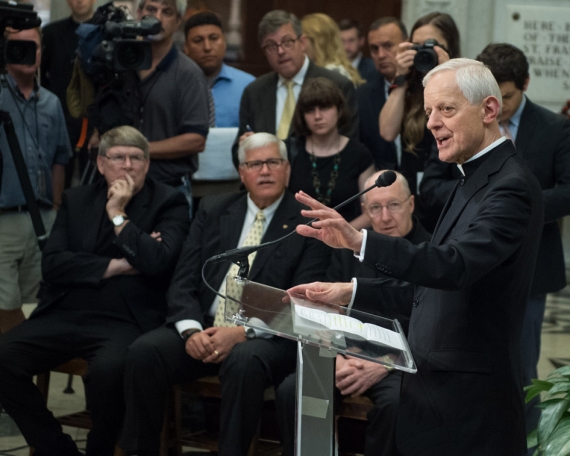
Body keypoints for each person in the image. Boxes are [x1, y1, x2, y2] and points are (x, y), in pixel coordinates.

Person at [289, 59, 544, 455]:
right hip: (434, 393)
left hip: (468, 404)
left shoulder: (510, 187)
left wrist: (360, 241)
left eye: (446, 109)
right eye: (428, 112)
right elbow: (428, 289)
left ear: (489, 110)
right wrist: (347, 292)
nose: (432, 123)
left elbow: (452, 266)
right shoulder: (468, 178)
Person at [120, 132, 331, 456]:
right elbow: (185, 279)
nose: (265, 171)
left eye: (273, 162)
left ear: (287, 169)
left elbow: (304, 302)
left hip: (269, 337)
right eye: (255, 164)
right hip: (204, 326)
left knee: (243, 360)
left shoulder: (307, 223)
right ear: (241, 171)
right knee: (144, 352)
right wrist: (190, 331)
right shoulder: (215, 209)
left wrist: (242, 332)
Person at [0, 125, 190, 456]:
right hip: (66, 311)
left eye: (136, 158)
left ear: (147, 164)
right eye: (118, 157)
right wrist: (117, 265)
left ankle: (99, 451)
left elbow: (158, 261)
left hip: (127, 318)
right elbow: (54, 264)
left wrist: (118, 215)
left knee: (108, 371)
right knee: (3, 357)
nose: (128, 165)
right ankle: (56, 448)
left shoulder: (169, 202)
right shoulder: (77, 199)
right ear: (102, 164)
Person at [421, 43, 570, 443]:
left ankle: (528, 439)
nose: (433, 123)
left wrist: (523, 209)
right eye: (429, 113)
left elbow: (566, 190)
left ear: (523, 86)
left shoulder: (551, 130)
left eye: (508, 97)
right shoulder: (463, 155)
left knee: (520, 369)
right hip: (470, 266)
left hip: (530, 261)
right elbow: (435, 185)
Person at [276, 170, 431, 456]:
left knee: (397, 406)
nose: (385, 217)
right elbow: (326, 312)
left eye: (393, 205)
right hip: (345, 354)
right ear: (365, 211)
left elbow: (434, 324)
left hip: (404, 362)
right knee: (292, 391)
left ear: (411, 204)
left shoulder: (430, 253)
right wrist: (335, 355)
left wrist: (387, 361)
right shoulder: (348, 249)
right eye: (375, 208)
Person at [90, 0, 210, 216]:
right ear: (138, 13)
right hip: (116, 186)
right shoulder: (120, 62)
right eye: (151, 10)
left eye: (167, 12)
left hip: (168, 187)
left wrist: (138, 151)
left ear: (178, 21)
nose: (158, 18)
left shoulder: (188, 73)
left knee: (164, 250)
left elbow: (196, 139)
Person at [0, 27, 72, 335]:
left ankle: (19, 374)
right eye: (20, 47)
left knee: (35, 300)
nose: (30, 53)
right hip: (4, 217)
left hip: (43, 218)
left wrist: (55, 207)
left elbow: (60, 157)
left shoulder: (52, 103)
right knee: (4, 303)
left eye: (35, 47)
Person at [233, 10, 359, 166]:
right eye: (271, 46)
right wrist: (245, 146)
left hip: (318, 181)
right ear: (264, 51)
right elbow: (236, 155)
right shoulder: (254, 91)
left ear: (303, 42)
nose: (280, 51)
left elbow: (350, 147)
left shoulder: (337, 84)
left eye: (287, 42)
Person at [379, 12, 460, 230]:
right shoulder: (411, 87)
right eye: (416, 46)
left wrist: (450, 73)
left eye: (431, 45)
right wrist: (400, 78)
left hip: (449, 197)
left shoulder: (464, 82)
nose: (423, 52)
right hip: (414, 200)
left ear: (449, 47)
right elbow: (387, 132)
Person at [286, 77, 374, 229]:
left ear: (339, 110)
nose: (318, 116)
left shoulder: (359, 154)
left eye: (325, 108)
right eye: (310, 110)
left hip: (345, 242)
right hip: (298, 239)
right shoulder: (290, 150)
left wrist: (341, 235)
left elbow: (369, 213)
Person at [41, 0, 96, 189]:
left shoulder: (104, 31)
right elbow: (40, 76)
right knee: (59, 173)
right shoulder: (51, 33)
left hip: (96, 118)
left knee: (95, 177)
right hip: (61, 115)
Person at [183, 11, 255, 128]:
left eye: (213, 38)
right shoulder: (175, 86)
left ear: (224, 42)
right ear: (186, 47)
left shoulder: (248, 86)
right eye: (198, 40)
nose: (207, 47)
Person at [356, 17, 408, 170]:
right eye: (374, 49)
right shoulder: (362, 96)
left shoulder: (426, 87)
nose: (381, 55)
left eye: (388, 46)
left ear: (406, 44)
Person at [301, 13, 364, 86]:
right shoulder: (329, 70)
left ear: (318, 43)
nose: (300, 45)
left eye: (303, 40)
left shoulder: (331, 74)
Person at [338, 18, 377, 83]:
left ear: (361, 41)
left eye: (351, 40)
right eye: (342, 41)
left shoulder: (374, 68)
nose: (346, 47)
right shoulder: (331, 68)